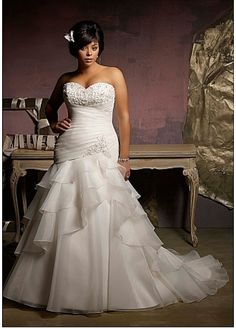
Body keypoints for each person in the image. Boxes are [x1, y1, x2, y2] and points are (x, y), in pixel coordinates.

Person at [3, 20, 229, 314]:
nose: (89, 53)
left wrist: (124, 159)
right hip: (70, 146)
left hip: (103, 146)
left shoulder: (114, 74)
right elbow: (49, 108)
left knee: (102, 209)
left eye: (94, 47)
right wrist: (54, 125)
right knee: (66, 210)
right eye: (83, 47)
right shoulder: (65, 78)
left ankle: (107, 282)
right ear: (74, 47)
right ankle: (65, 284)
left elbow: (123, 119)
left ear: (100, 47)